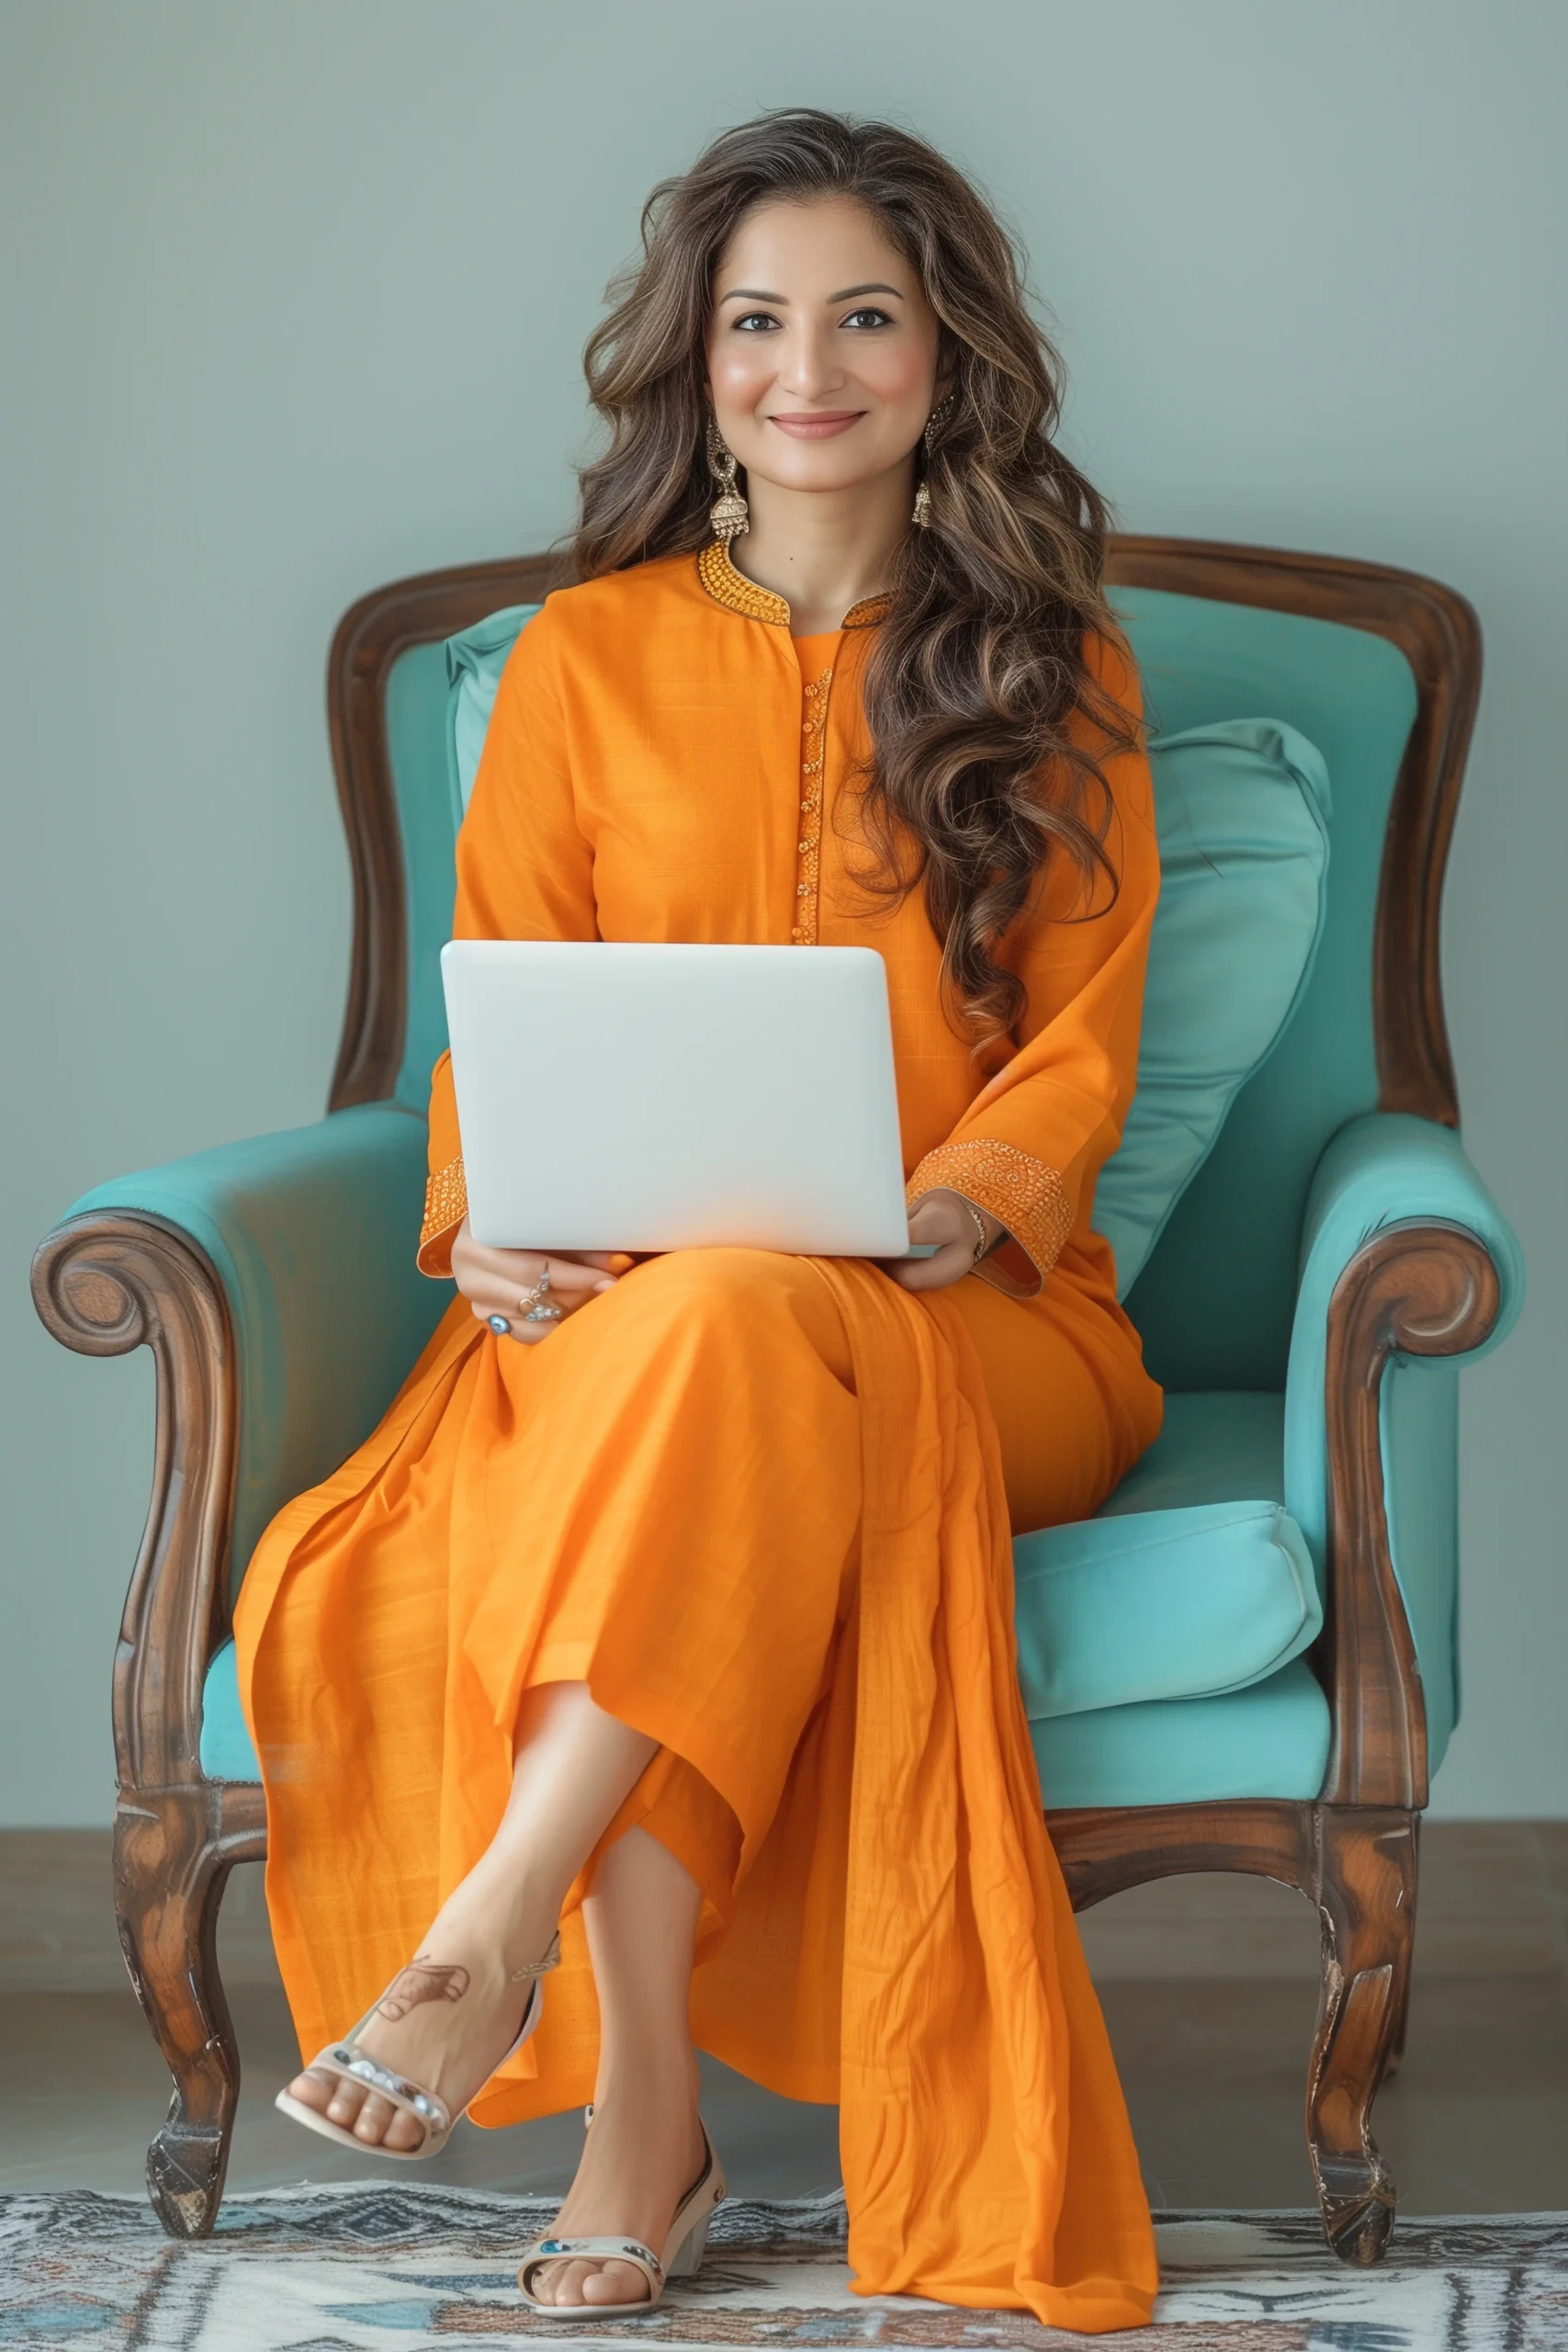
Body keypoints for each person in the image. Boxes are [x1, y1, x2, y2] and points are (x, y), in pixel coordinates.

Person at [236, 107, 1164, 2332]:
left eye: (863, 313)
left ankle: (510, 1965)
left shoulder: (1057, 666)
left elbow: (1083, 1042)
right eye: (758, 318)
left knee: (737, 1325)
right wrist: (495, 1235)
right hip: (638, 1331)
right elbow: (491, 1024)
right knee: (707, 1338)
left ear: (948, 357)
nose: (806, 364)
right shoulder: (574, 663)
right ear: (699, 360)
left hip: (990, 1329)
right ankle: (633, 2102)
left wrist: (963, 1197)